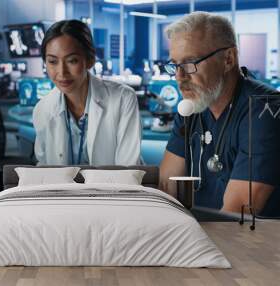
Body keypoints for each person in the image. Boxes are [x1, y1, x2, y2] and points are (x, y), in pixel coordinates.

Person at [159, 12, 280, 216]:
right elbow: (166, 190)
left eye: (190, 63)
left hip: (253, 244)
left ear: (228, 59)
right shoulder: (192, 107)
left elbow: (235, 216)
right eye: (175, 65)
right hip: (196, 236)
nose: (180, 77)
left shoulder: (265, 111)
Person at [33, 19, 142, 165]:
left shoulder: (122, 99)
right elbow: (44, 167)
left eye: (72, 61)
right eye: (53, 62)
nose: (62, 72)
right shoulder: (42, 109)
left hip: (116, 187)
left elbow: (128, 168)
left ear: (90, 60)